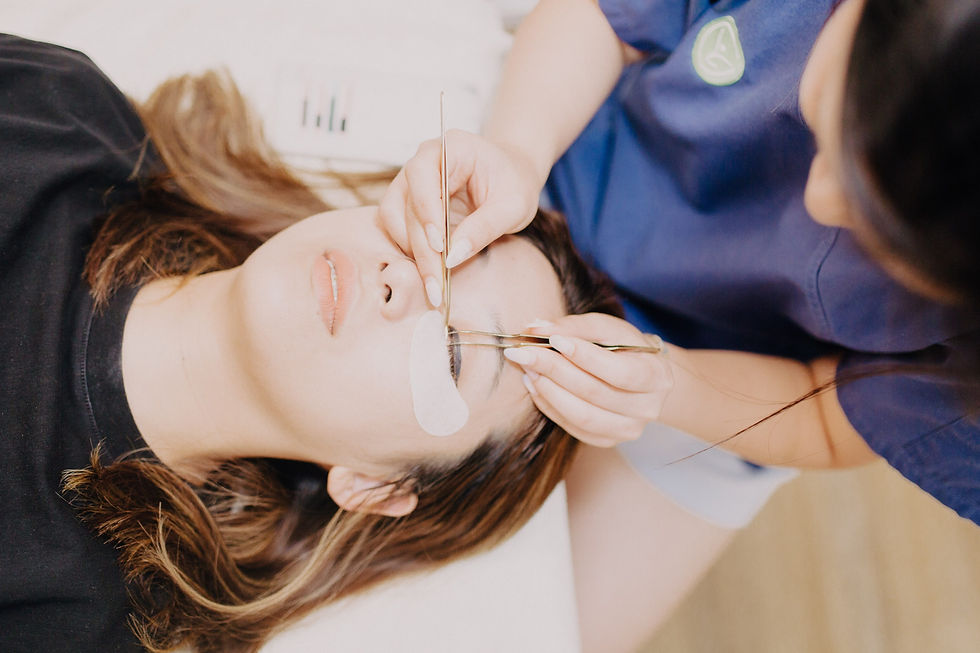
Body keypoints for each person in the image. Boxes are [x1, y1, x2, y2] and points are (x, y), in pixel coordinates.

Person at [380, 0, 980, 649]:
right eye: (825, 126)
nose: (816, 199)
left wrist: (672, 387)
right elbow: (601, 16)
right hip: (569, 158)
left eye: (879, 234)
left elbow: (831, 420)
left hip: (743, 397)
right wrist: (520, 150)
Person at [0, 34, 625, 653]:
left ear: (376, 487)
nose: (404, 280)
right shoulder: (65, 114)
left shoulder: (78, 620)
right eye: (441, 246)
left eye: (452, 353)